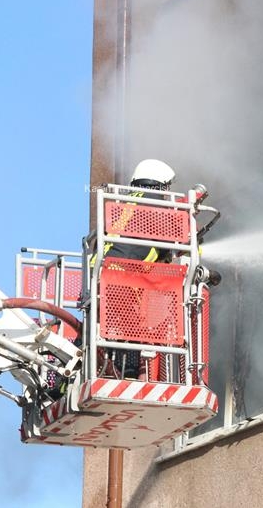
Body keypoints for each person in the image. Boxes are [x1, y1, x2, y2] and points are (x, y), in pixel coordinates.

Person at [99, 159, 177, 379]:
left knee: (103, 327)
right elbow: (169, 243)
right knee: (133, 328)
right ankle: (130, 374)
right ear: (159, 183)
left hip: (104, 272)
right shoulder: (153, 201)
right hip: (123, 275)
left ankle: (69, 377)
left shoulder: (128, 201)